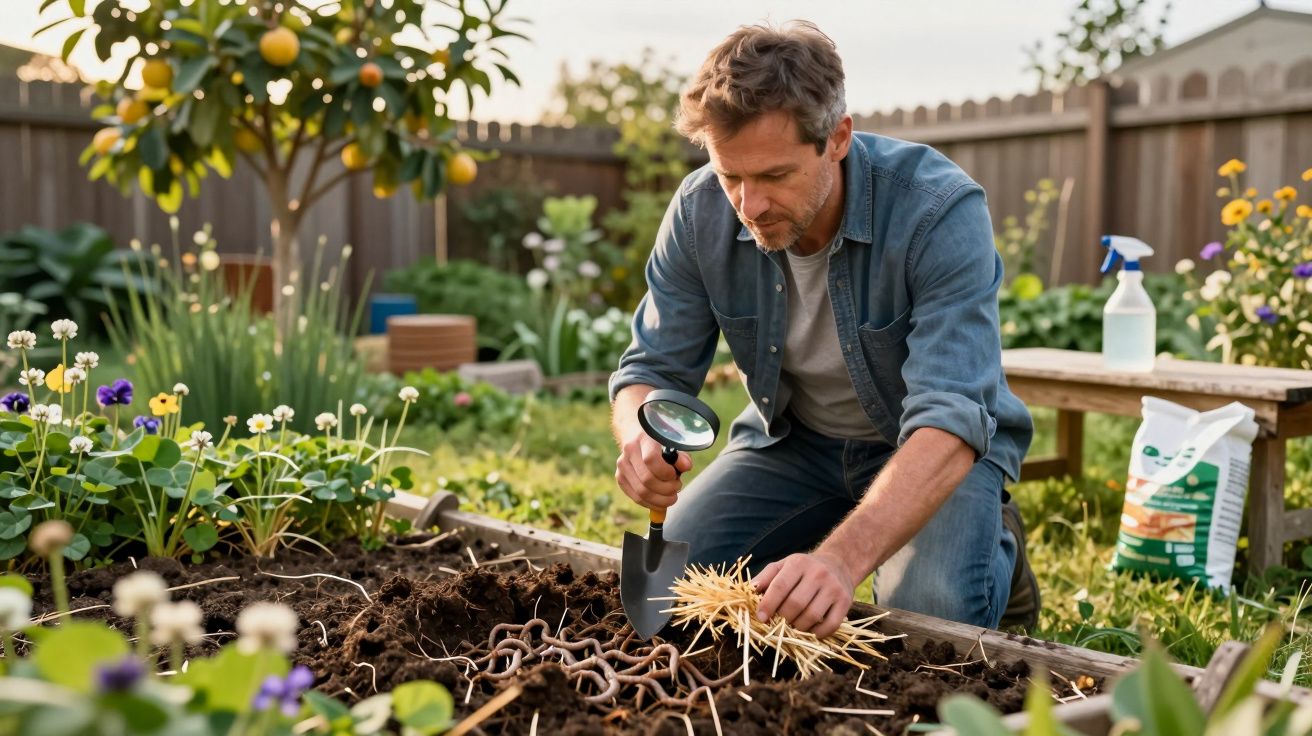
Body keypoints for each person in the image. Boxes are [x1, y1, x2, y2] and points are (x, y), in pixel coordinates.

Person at [608, 21, 1041, 636]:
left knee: (925, 622)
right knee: (674, 597)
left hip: (927, 448)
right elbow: (650, 369)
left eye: (776, 177)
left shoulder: (938, 210)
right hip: (794, 443)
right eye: (732, 175)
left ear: (837, 138)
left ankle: (1000, 558)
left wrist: (838, 561)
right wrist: (639, 436)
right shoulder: (699, 209)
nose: (748, 204)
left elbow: (951, 415)